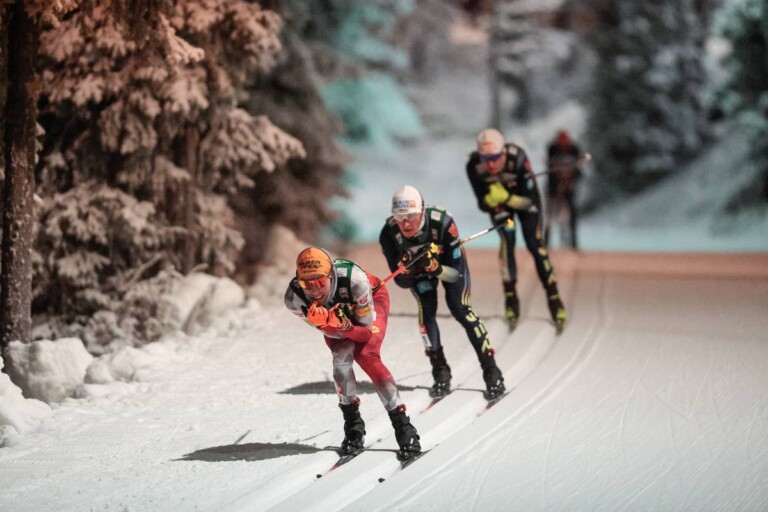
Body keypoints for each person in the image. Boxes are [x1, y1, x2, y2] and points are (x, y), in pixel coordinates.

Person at [284, 247, 421, 461]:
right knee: (340, 360)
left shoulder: (354, 279)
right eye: (306, 283)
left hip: (371, 301)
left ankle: (403, 426)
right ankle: (353, 425)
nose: (314, 290)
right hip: (338, 321)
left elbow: (365, 333)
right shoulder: (294, 299)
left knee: (367, 355)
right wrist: (329, 323)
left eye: (320, 281)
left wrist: (341, 323)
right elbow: (333, 333)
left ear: (330, 276)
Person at [378, 185, 505, 400]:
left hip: (447, 266)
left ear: (422, 211)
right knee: (426, 311)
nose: (406, 223)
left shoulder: (443, 223)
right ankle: (440, 371)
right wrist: (410, 268)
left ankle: (491, 369)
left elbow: (455, 274)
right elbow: (401, 281)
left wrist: (435, 267)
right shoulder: (388, 234)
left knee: (460, 308)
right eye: (400, 217)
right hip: (420, 273)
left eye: (411, 216)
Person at [465, 128, 567, 332]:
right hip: (501, 206)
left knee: (535, 245)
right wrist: (490, 200)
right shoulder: (474, 166)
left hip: (524, 203)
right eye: (486, 158)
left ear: (503, 153)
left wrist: (508, 198)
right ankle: (511, 299)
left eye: (495, 157)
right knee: (507, 241)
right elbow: (482, 204)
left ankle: (554, 299)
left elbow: (530, 198)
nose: (491, 164)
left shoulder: (517, 158)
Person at [545, 129, 583, 249]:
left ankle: (573, 241)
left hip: (569, 189)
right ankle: (546, 241)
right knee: (549, 215)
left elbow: (578, 172)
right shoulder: (552, 150)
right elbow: (550, 170)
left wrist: (571, 182)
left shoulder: (574, 150)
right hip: (553, 187)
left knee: (571, 214)